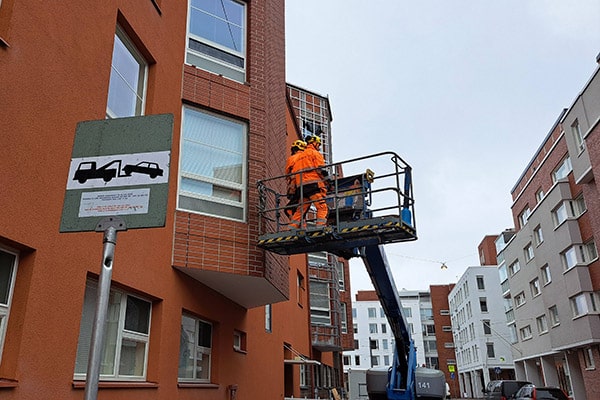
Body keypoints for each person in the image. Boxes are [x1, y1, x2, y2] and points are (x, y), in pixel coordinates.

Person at [289, 135, 329, 228]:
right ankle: (320, 226)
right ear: (314, 143)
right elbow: (321, 170)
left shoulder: (299, 157)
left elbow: (293, 174)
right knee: (322, 207)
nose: (319, 147)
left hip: (301, 187)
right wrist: (328, 182)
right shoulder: (315, 153)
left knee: (301, 209)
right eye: (318, 144)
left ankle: (292, 228)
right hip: (313, 185)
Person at [284, 139, 306, 217]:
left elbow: (287, 173)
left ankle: (294, 219)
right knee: (302, 206)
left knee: (291, 207)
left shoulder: (292, 158)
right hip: (307, 184)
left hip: (296, 183)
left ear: (294, 149)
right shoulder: (307, 157)